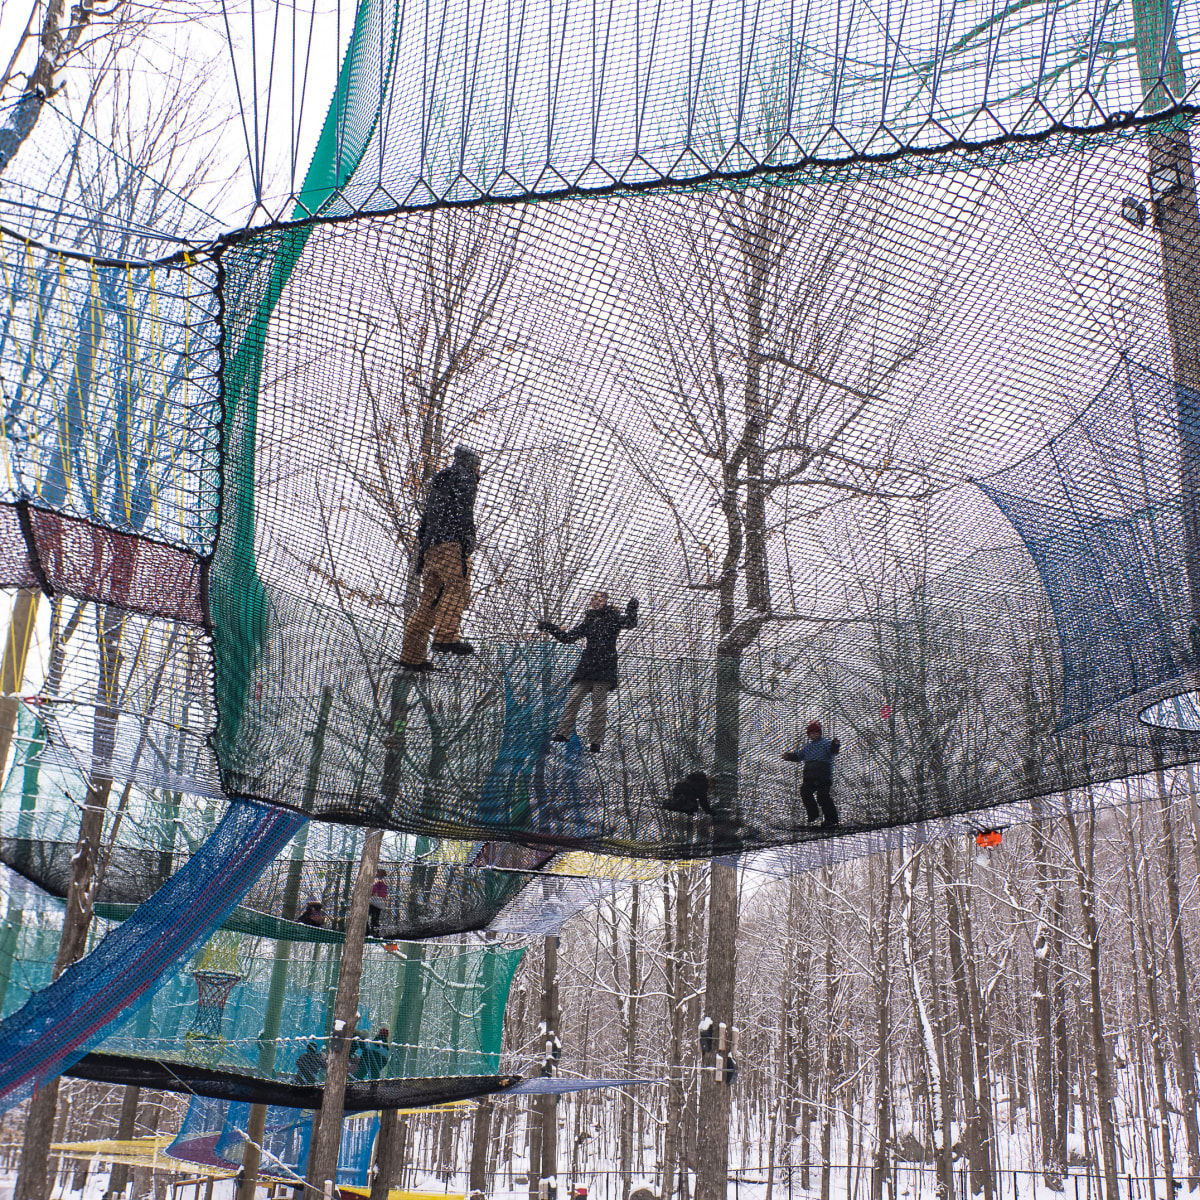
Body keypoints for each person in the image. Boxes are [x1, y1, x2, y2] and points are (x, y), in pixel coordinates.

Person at [399, 446, 482, 670]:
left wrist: (421, 557)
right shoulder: (465, 478)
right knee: (457, 588)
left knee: (431, 599)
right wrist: (468, 540)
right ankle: (446, 636)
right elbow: (463, 511)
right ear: (473, 464)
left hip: (430, 549)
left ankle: (412, 655)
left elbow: (424, 522)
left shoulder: (438, 484)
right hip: (451, 544)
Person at [538, 591, 638, 752]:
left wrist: (632, 608)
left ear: (605, 600)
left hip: (604, 668)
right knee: (573, 699)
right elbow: (567, 638)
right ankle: (563, 733)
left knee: (599, 706)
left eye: (599, 599)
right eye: (593, 599)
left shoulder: (613, 618)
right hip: (587, 668)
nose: (595, 601)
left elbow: (630, 623)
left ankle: (595, 741)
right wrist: (549, 627)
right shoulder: (589, 621)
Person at [782, 720, 841, 828]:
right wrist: (789, 756)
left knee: (823, 796)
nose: (814, 735)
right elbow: (799, 756)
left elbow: (833, 751)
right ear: (809, 735)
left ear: (820, 733)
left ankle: (831, 820)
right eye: (812, 733)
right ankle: (813, 814)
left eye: (816, 732)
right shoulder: (808, 747)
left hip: (823, 775)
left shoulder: (825, 743)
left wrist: (835, 745)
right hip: (809, 776)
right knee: (805, 792)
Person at [368, 869, 388, 937]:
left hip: (373, 902)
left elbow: (373, 890)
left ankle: (369, 932)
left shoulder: (378, 881)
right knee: (375, 918)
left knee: (369, 917)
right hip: (380, 903)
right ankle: (375, 933)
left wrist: (369, 894)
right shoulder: (385, 882)